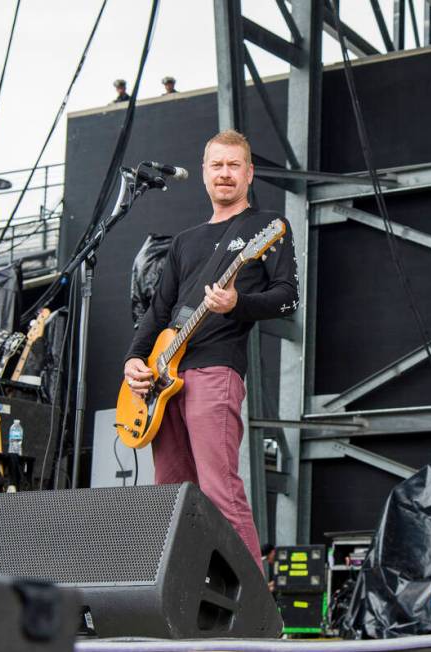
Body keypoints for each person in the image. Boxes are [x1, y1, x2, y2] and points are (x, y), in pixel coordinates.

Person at [123, 129, 299, 566]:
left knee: (220, 490)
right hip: (163, 380)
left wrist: (238, 302)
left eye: (234, 165)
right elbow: (157, 312)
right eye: (217, 165)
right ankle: (182, 604)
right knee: (170, 496)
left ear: (249, 173)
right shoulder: (185, 241)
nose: (225, 173)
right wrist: (133, 359)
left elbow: (288, 297)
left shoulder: (267, 227)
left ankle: (256, 614)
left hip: (215, 372)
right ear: (204, 172)